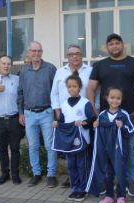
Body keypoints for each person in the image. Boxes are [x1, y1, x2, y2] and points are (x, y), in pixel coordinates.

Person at [87, 33, 134, 197]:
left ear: (123, 45)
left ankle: (130, 181)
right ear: (107, 47)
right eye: (111, 44)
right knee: (106, 151)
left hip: (128, 116)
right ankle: (108, 181)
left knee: (127, 151)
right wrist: (93, 109)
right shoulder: (100, 65)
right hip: (107, 118)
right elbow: (91, 88)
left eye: (117, 43)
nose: (114, 46)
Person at [51, 44, 98, 188]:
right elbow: (54, 94)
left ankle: (86, 182)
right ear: (67, 57)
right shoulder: (60, 72)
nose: (75, 56)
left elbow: (96, 91)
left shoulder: (90, 71)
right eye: (71, 54)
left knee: (84, 154)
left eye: (77, 53)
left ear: (82, 55)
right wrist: (58, 113)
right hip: (66, 118)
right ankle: (73, 180)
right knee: (70, 153)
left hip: (84, 118)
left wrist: (94, 113)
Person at [86, 86, 134, 203]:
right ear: (107, 98)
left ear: (121, 99)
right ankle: (109, 195)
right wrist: (95, 125)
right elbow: (97, 130)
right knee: (108, 173)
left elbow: (131, 130)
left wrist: (122, 126)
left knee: (120, 172)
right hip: (106, 150)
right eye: (112, 98)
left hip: (120, 150)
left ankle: (121, 196)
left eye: (118, 98)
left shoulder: (123, 114)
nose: (115, 101)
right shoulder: (102, 114)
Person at [17, 41, 58, 188]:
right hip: (29, 114)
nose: (36, 54)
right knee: (33, 145)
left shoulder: (50, 69)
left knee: (49, 146)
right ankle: (36, 174)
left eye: (39, 51)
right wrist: (21, 112)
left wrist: (56, 111)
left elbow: (57, 91)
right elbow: (20, 93)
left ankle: (51, 175)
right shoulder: (24, 72)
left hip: (47, 112)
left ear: (42, 52)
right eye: (33, 51)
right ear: (28, 53)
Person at [52, 71, 95, 201]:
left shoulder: (85, 102)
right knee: (71, 165)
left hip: (82, 140)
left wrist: (83, 122)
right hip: (69, 141)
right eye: (69, 86)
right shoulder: (64, 104)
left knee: (82, 165)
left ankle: (83, 189)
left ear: (79, 88)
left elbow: (92, 118)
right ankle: (75, 187)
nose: (72, 89)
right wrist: (56, 123)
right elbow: (62, 120)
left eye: (74, 86)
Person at [0, 55, 25, 185]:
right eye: (3, 63)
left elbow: (22, 99)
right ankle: (4, 174)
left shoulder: (17, 79)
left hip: (14, 119)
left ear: (11, 66)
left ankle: (15, 175)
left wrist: (21, 114)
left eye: (8, 64)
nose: (6, 66)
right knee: (2, 149)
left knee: (14, 148)